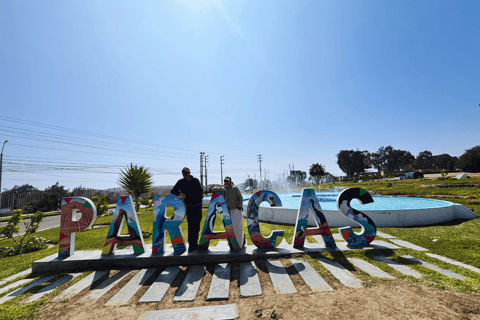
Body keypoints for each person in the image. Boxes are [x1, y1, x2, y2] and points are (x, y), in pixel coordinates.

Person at [171, 167, 203, 252]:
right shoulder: (180, 182)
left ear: (189, 172)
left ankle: (195, 243)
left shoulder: (196, 180)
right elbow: (173, 191)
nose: (186, 174)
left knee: (197, 226)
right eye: (184, 173)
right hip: (189, 207)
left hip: (198, 206)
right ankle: (191, 245)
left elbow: (200, 191)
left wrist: (200, 199)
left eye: (187, 173)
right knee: (191, 226)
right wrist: (180, 193)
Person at [219, 176, 245, 249]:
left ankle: (241, 240)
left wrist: (239, 206)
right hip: (227, 211)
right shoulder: (223, 189)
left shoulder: (235, 188)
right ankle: (231, 243)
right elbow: (214, 189)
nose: (226, 182)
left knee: (237, 227)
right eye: (225, 181)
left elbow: (240, 197)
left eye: (227, 181)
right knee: (229, 228)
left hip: (235, 210)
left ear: (230, 181)